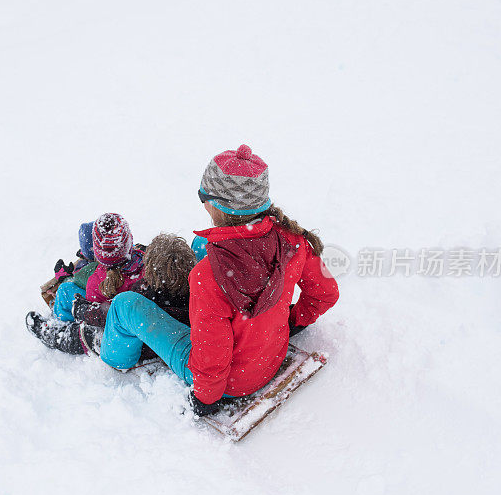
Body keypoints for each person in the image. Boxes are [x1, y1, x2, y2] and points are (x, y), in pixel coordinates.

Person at [99, 144, 339, 416]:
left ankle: (113, 357)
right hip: (272, 354)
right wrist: (292, 321)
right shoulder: (292, 239)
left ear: (215, 205)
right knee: (202, 242)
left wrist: (207, 398)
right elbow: (325, 293)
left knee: (124, 304)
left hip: (231, 383)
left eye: (203, 195)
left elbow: (212, 357)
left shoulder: (207, 278)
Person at [26, 233, 195, 356]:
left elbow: (111, 315)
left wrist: (81, 310)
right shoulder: (193, 289)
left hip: (138, 343)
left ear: (152, 272)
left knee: (89, 335)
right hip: (157, 335)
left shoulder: (145, 293)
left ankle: (52, 335)